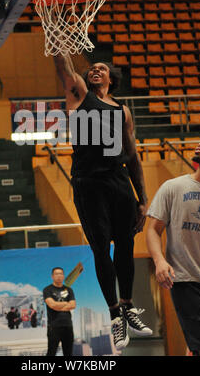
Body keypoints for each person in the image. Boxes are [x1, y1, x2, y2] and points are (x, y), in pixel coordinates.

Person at [53, 53, 152, 350]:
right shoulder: (79, 94)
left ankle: (128, 306)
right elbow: (64, 68)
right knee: (101, 248)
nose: (96, 70)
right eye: (92, 68)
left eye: (102, 69)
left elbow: (133, 156)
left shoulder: (123, 111)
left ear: (112, 79)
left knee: (126, 244)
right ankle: (114, 315)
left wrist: (143, 199)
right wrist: (57, 40)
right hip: (88, 183)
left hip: (119, 181)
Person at [146, 131, 200, 356]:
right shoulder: (173, 187)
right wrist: (159, 261)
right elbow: (152, 230)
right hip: (186, 278)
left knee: (199, 348)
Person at [43, 267, 76, 356]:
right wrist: (66, 303)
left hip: (68, 326)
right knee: (51, 352)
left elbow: (73, 305)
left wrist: (58, 306)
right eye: (56, 274)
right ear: (52, 276)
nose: (59, 276)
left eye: (61, 274)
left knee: (68, 353)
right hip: (54, 327)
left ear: (63, 276)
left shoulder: (68, 290)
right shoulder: (47, 290)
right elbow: (52, 305)